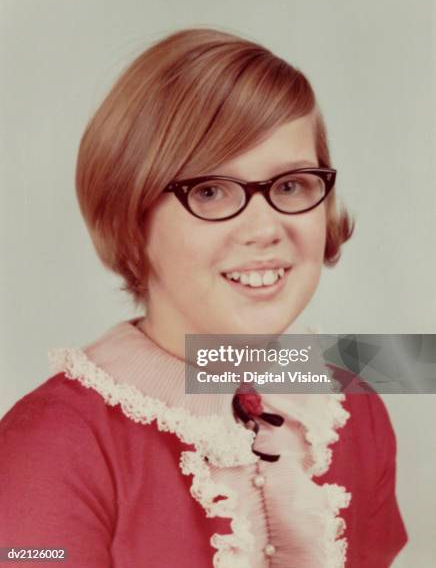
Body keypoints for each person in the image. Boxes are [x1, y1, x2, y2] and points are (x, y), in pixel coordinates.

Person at [0, 28, 407, 567]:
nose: (264, 230)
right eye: (210, 191)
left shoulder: (352, 406)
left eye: (290, 185)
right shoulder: (53, 445)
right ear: (131, 215)